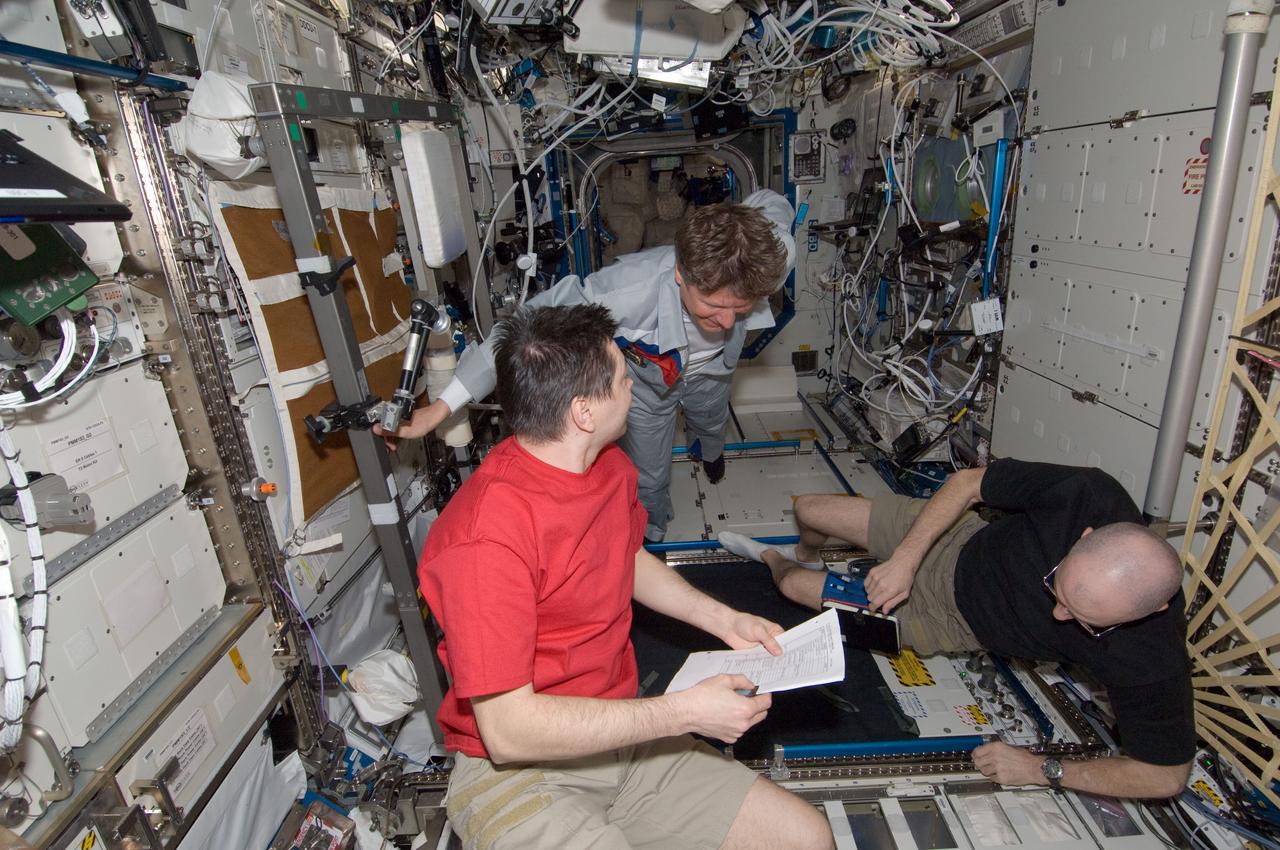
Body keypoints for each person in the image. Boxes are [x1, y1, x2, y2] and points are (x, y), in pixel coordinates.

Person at [418, 304, 834, 849]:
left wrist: (725, 620)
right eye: (621, 378)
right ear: (584, 412)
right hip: (521, 773)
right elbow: (509, 730)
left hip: (622, 735)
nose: (634, 385)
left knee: (805, 837)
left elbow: (623, 556)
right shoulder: (484, 540)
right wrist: (684, 712)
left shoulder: (606, 465)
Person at [717, 460, 1194, 800]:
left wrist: (1039, 769)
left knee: (796, 587)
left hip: (948, 623)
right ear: (1085, 536)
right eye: (1057, 590)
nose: (1059, 617)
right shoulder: (1090, 495)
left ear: (1151, 613)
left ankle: (773, 558)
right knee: (811, 509)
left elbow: (1166, 776)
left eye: (1084, 622)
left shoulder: (1150, 658)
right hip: (950, 543)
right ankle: (804, 549)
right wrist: (905, 558)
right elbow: (968, 483)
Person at [383, 190, 795, 542]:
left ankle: (712, 453)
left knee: (711, 420)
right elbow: (522, 332)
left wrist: (741, 223)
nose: (727, 322)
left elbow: (774, 204)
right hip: (652, 387)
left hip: (713, 373)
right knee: (648, 478)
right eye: (715, 307)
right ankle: (650, 537)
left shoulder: (768, 257)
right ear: (680, 274)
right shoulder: (626, 292)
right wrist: (439, 409)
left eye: (741, 308)